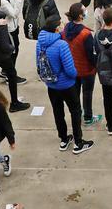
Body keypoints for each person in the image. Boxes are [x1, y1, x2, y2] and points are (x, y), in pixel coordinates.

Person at [36, 16, 94, 154]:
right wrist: (74, 75)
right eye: (61, 24)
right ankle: (78, 142)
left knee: (58, 112)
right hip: (66, 85)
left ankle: (63, 139)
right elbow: (70, 69)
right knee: (75, 111)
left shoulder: (40, 43)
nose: (64, 25)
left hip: (51, 85)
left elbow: (38, 64)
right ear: (56, 28)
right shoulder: (61, 45)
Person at [61, 2, 103, 127]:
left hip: (72, 68)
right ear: (80, 16)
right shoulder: (85, 34)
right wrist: (96, 66)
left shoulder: (65, 29)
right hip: (86, 69)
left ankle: (77, 115)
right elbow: (91, 54)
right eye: (84, 10)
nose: (86, 12)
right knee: (87, 93)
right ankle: (88, 117)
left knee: (75, 93)